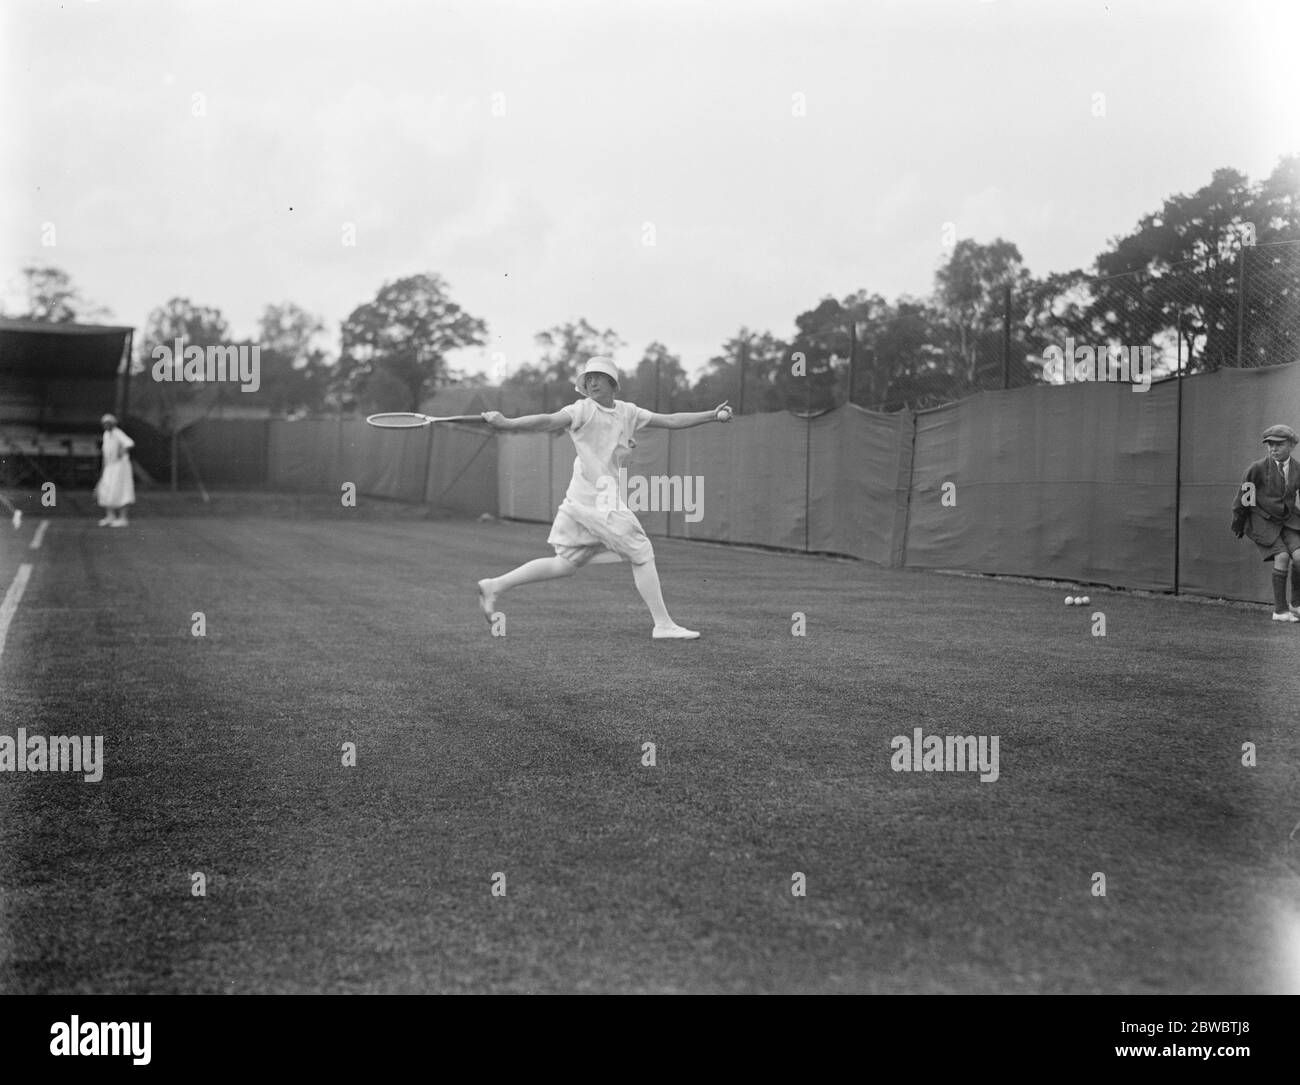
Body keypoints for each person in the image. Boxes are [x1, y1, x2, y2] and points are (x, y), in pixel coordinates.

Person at [476, 357, 731, 639]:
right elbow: (548, 420)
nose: (593, 382)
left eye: (599, 376)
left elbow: (670, 420)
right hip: (594, 499)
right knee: (641, 551)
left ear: (613, 383)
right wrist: (507, 423)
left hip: (582, 499)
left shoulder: (628, 412)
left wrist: (710, 415)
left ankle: (494, 585)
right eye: (589, 378)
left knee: (564, 564)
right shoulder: (581, 410)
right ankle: (663, 625)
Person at [1231, 424, 1300, 621]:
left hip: (1288, 520)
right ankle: (1279, 610)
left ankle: (1296, 604)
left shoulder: (1297, 469)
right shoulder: (1256, 469)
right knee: (1283, 557)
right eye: (1269, 444)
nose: (1273, 448)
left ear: (1292, 445)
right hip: (1261, 520)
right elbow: (1244, 498)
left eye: (1279, 444)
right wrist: (1239, 523)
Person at [95, 413, 135, 528]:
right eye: (105, 423)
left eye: (109, 423)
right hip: (110, 467)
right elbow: (106, 454)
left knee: (122, 490)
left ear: (113, 424)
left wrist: (121, 451)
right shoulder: (106, 434)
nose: (106, 425)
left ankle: (123, 518)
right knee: (107, 489)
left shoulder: (117, 432)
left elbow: (129, 443)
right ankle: (110, 516)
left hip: (120, 467)